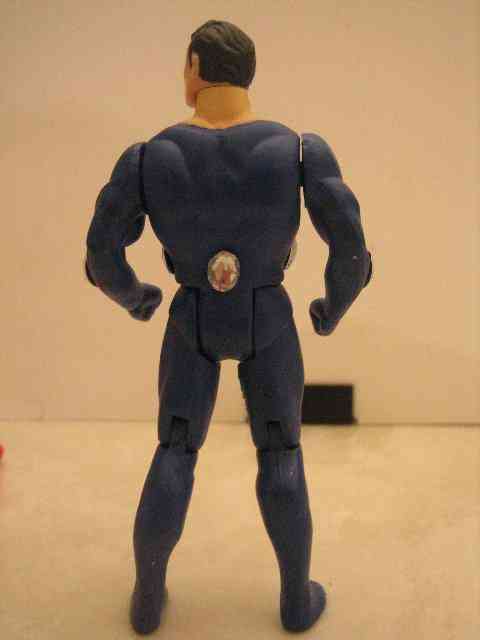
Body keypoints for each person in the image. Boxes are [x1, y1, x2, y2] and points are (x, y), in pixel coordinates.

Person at [84, 19, 373, 635]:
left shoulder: (151, 156)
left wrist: (136, 298)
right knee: (281, 451)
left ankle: (147, 599)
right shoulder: (297, 150)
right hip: (268, 317)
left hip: (191, 317)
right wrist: (332, 308)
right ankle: (296, 600)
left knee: (174, 450)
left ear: (195, 66)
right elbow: (351, 249)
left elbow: (101, 256)